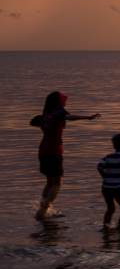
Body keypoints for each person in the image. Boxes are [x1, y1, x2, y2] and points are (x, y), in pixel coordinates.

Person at [30, 91, 100, 220]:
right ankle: (42, 211)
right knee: (57, 182)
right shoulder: (58, 113)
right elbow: (70, 117)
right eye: (63, 100)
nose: (65, 102)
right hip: (53, 151)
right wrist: (88, 118)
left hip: (43, 150)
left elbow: (33, 122)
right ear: (58, 102)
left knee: (50, 181)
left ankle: (43, 209)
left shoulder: (46, 114)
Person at [97, 132, 120, 229]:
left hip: (106, 188)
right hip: (118, 188)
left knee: (110, 208)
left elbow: (99, 166)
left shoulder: (108, 156)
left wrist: (105, 176)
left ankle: (106, 227)